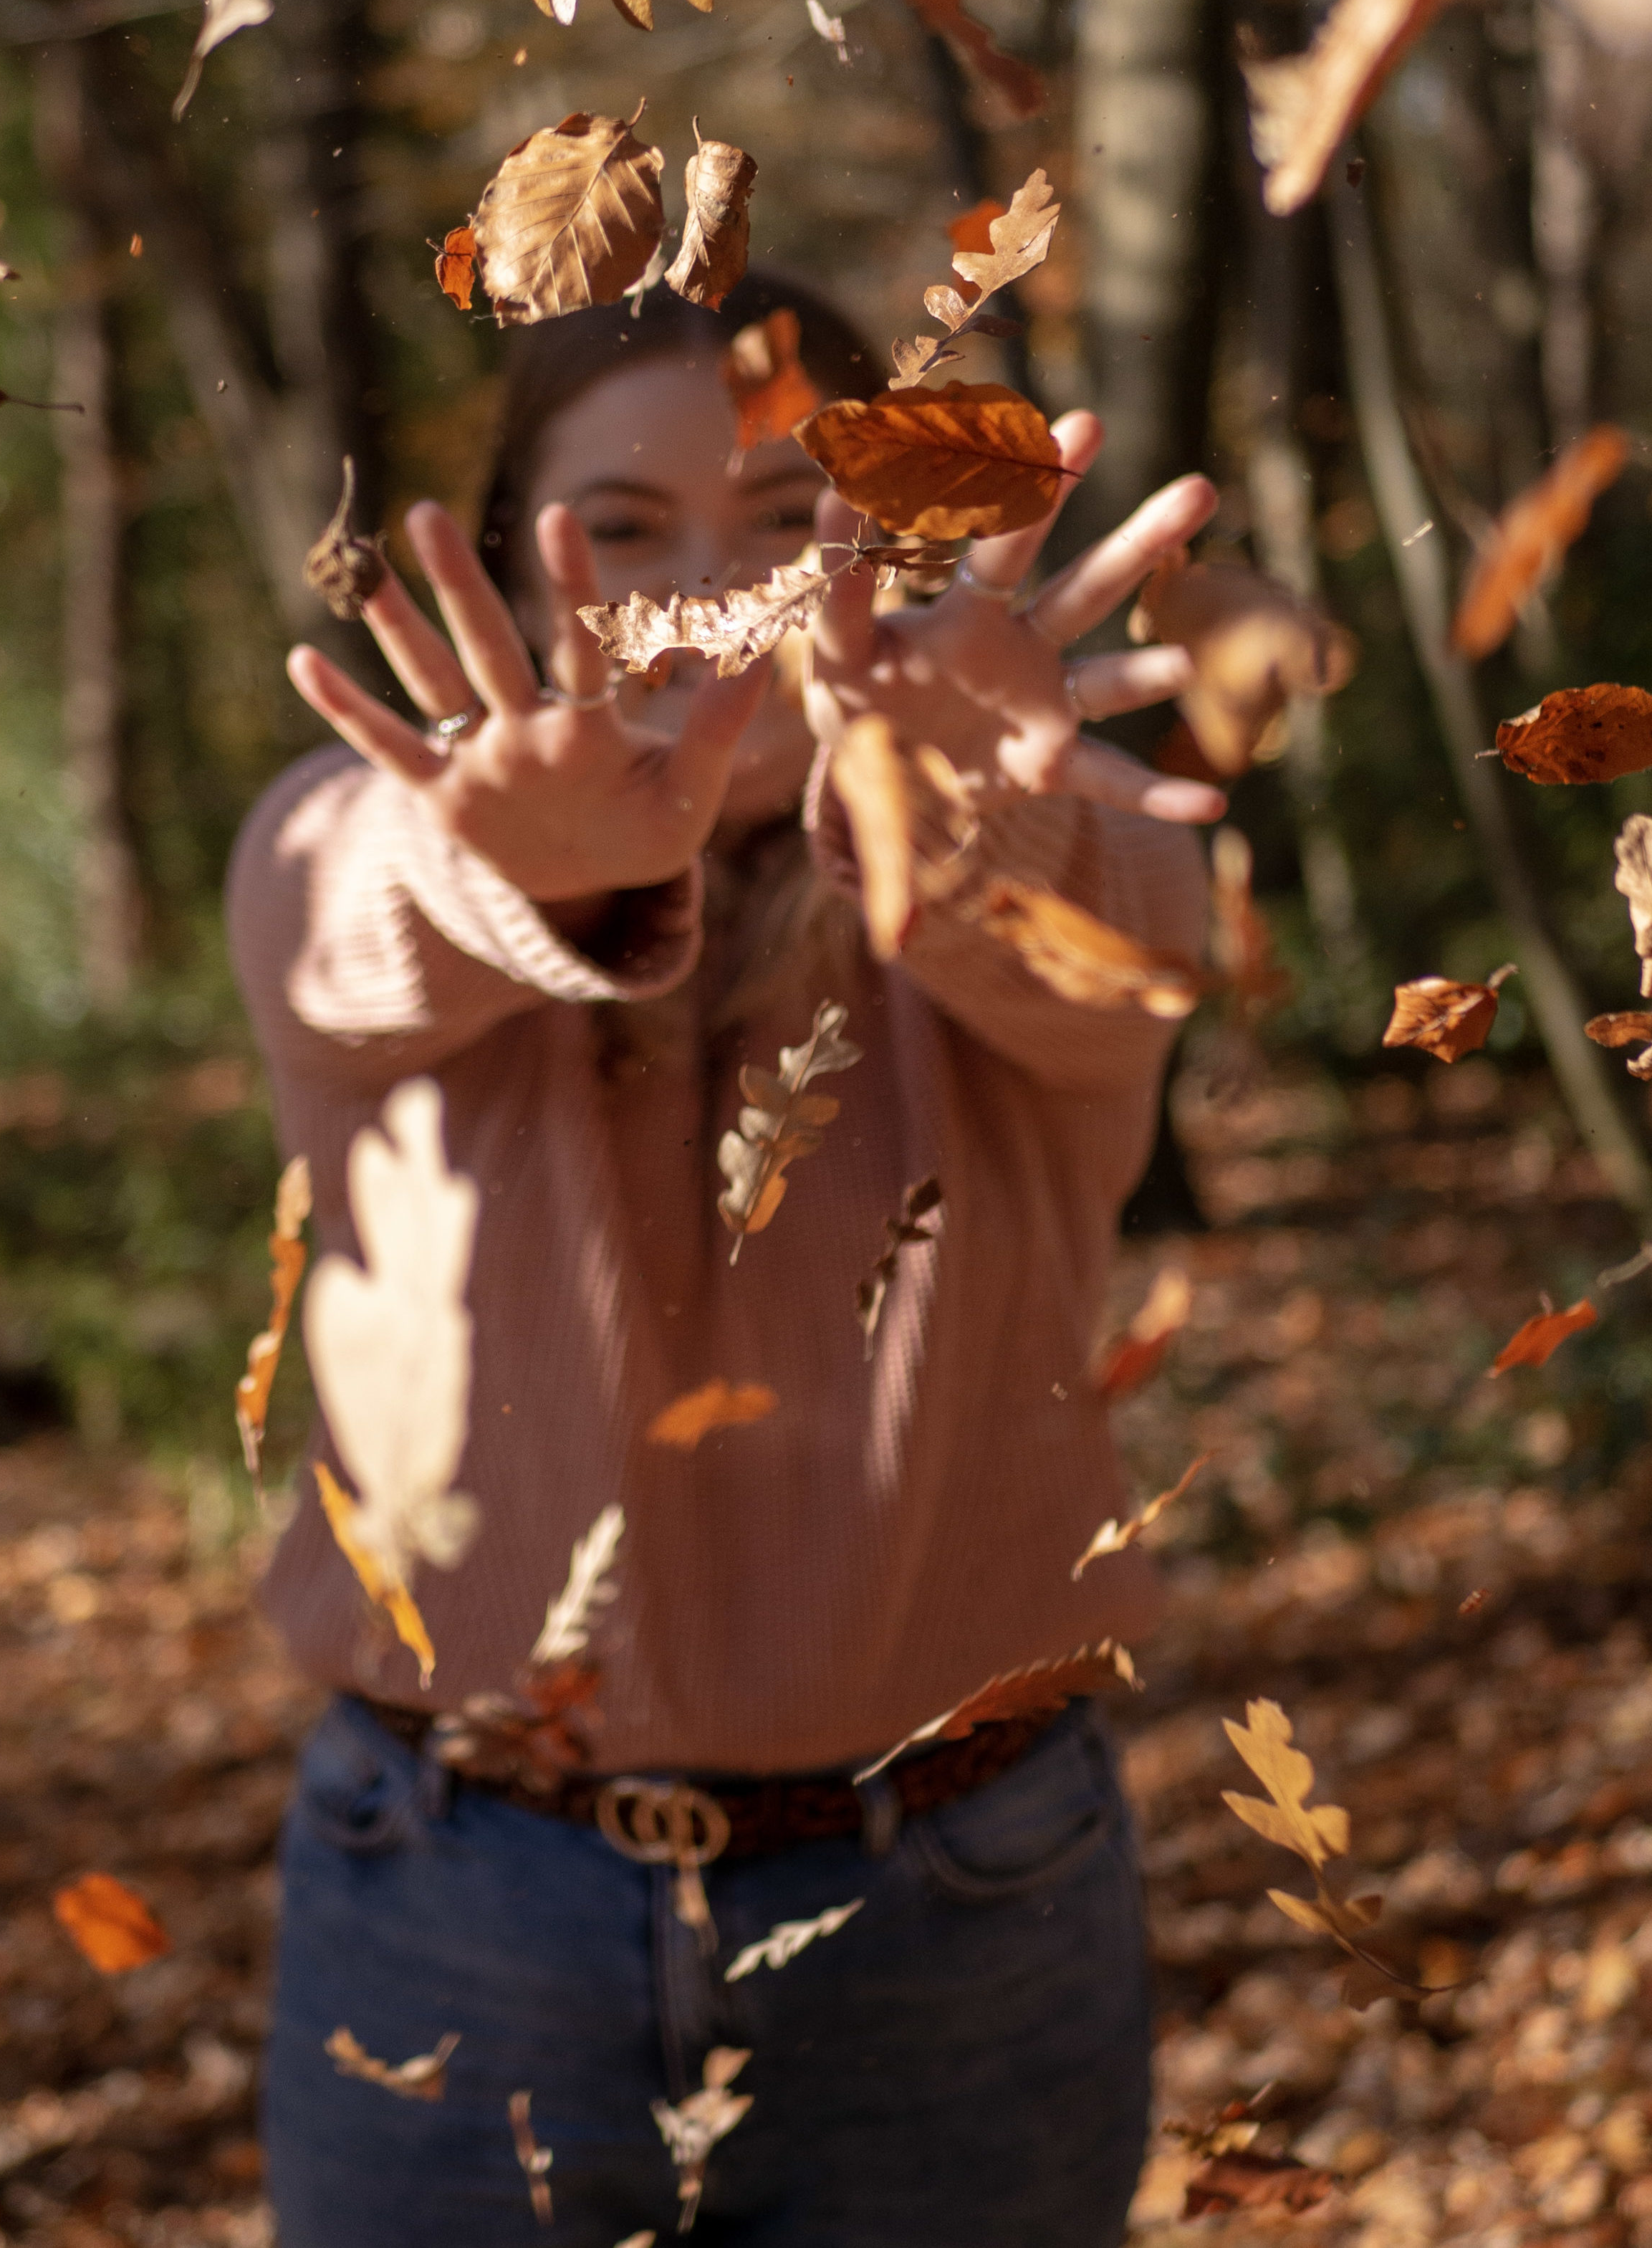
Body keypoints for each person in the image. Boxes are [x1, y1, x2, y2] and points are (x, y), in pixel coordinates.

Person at [226, 270, 1224, 2247]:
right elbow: (356, 907)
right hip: (454, 1906)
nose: (709, 590)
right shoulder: (349, 839)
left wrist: (953, 821)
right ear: (520, 573)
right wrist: (508, 865)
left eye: (787, 522)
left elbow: (1103, 936)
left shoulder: (1073, 840)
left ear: (891, 557)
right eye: (621, 529)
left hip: (962, 1911)